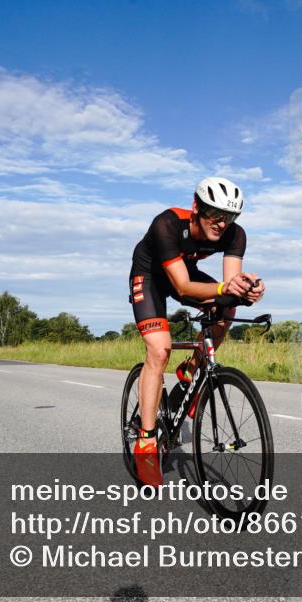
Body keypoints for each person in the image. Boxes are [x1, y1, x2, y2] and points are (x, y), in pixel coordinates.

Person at [128, 176, 265, 486]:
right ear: (196, 206)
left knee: (228, 309)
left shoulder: (235, 234)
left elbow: (230, 287)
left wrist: (248, 291)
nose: (222, 223)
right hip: (150, 276)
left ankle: (191, 370)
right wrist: (224, 289)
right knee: (159, 349)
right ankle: (146, 442)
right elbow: (182, 286)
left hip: (184, 271)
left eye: (229, 216)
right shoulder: (167, 224)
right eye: (215, 214)